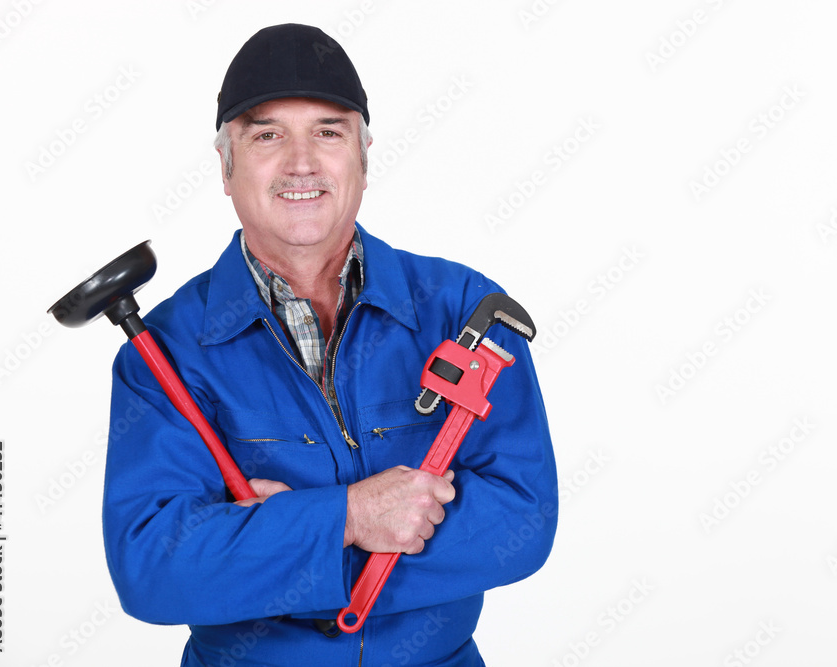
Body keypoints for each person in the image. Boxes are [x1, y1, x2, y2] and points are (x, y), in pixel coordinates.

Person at [102, 23, 557, 666]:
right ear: (226, 169)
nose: (301, 162)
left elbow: (520, 521)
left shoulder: (462, 310)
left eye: (328, 131)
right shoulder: (167, 353)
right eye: (266, 135)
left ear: (364, 159)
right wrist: (346, 517)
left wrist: (272, 546)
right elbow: (152, 569)